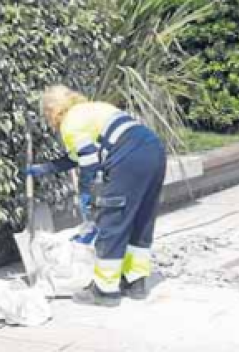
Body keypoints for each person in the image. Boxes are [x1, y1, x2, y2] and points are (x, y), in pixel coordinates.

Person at [27, 86, 168, 307]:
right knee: (142, 218)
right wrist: (45, 168)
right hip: (154, 151)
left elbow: (89, 162)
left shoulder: (69, 123)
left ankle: (105, 290)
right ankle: (135, 282)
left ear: (54, 111)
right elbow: (79, 156)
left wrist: (85, 194)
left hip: (127, 158)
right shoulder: (93, 109)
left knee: (113, 221)